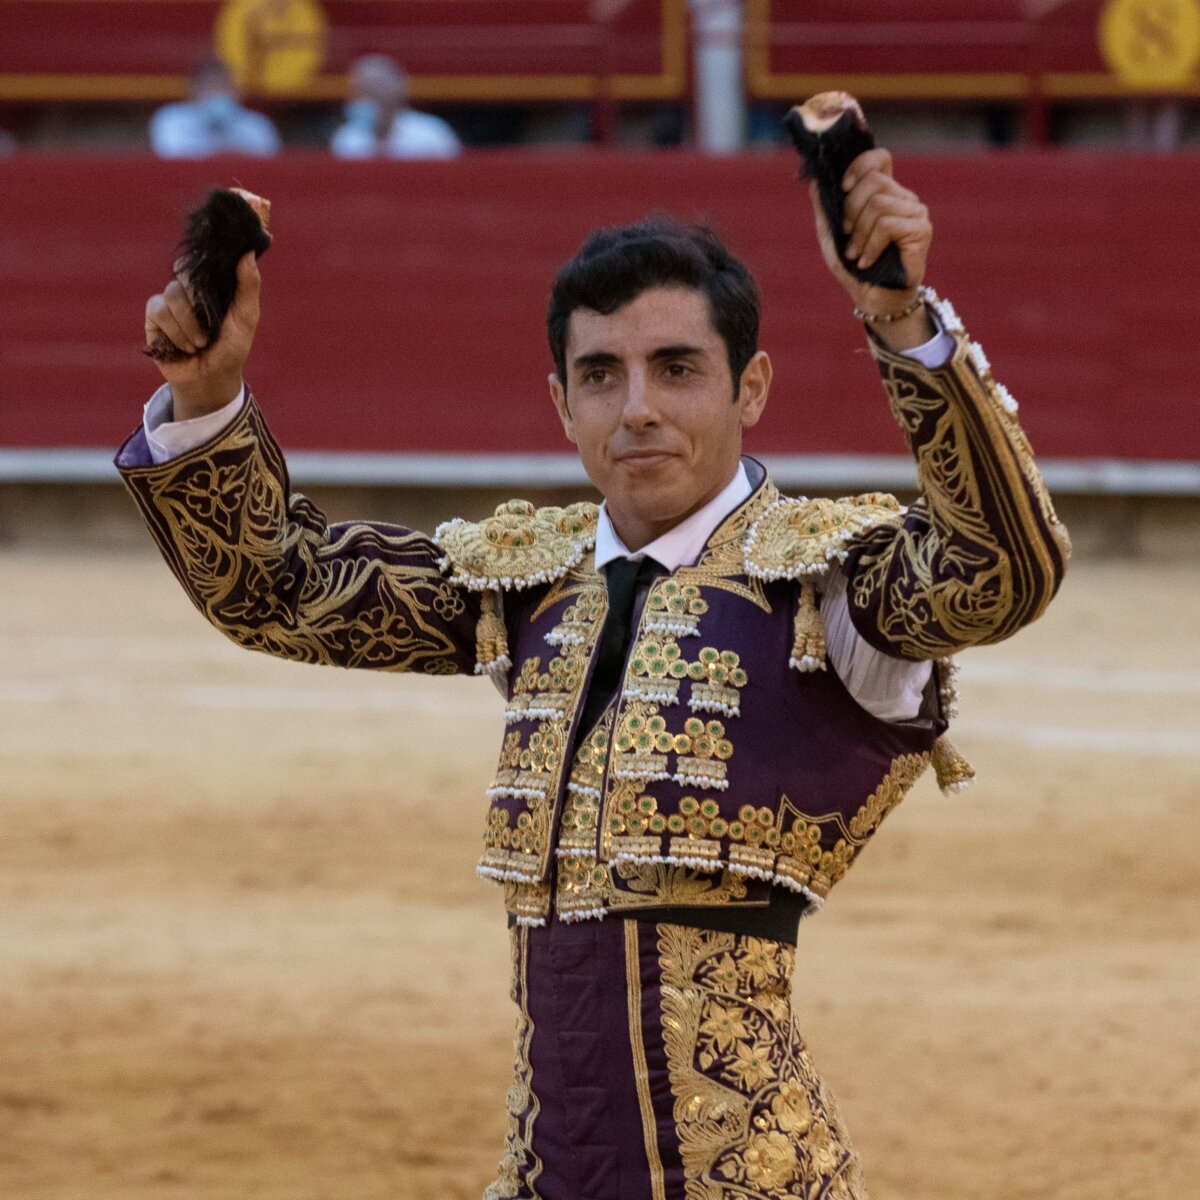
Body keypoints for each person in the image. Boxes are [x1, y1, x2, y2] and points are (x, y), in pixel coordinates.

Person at [116, 148, 1069, 1197]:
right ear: (562, 405)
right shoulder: (530, 580)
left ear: (751, 386)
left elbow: (1003, 567)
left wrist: (899, 319)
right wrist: (206, 394)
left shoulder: (828, 585)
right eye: (601, 375)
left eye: (678, 368)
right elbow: (279, 589)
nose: (637, 408)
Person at [330, 54, 461, 160]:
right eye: (358, 92)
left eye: (373, 91)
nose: (365, 99)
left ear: (394, 94)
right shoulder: (347, 139)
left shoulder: (430, 134)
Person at [149, 57, 281, 159]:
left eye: (224, 86)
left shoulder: (257, 124)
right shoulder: (171, 119)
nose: (218, 92)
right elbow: (171, 154)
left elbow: (268, 158)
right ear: (194, 90)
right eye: (211, 86)